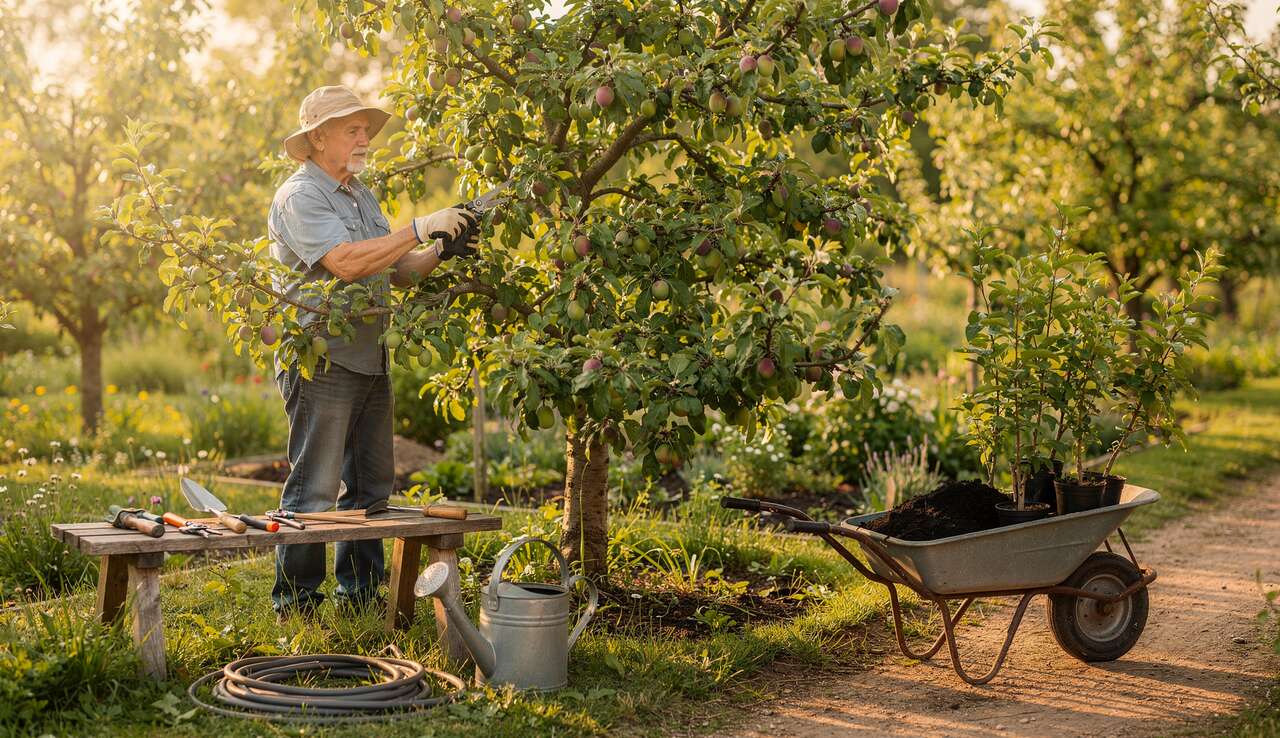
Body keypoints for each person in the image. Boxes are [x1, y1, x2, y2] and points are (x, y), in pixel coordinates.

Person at [266, 84, 477, 618]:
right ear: (318, 137)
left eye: (366, 130)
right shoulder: (300, 195)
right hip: (323, 358)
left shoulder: (360, 194)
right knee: (314, 490)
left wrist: (440, 248)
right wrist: (417, 226)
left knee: (370, 488)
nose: (365, 139)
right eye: (352, 130)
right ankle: (296, 604)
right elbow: (346, 263)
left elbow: (397, 272)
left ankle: (358, 597)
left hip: (369, 357)